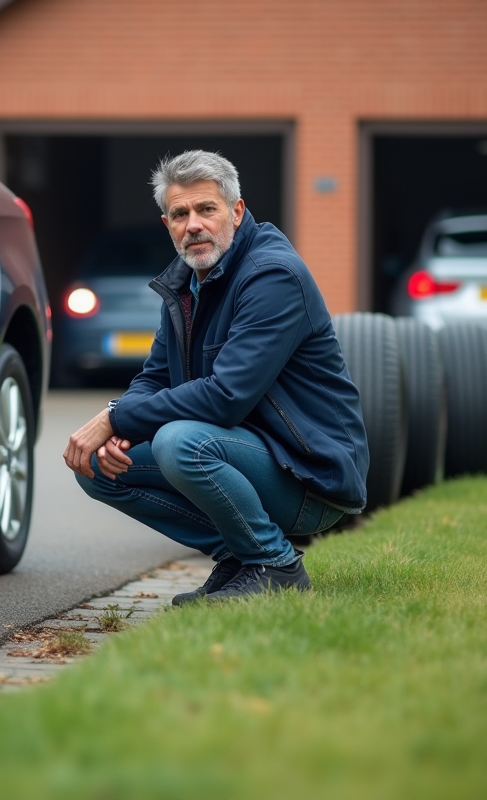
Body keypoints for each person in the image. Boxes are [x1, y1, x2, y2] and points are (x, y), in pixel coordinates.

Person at [62, 150, 368, 604]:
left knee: (180, 443)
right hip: (248, 453)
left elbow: (227, 397)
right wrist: (118, 430)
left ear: (237, 211)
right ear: (166, 223)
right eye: (180, 214)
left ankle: (275, 565)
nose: (194, 225)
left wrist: (116, 417)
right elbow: (156, 376)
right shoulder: (188, 280)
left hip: (309, 476)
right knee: (97, 467)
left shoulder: (273, 276)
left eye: (207, 209)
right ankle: (241, 556)